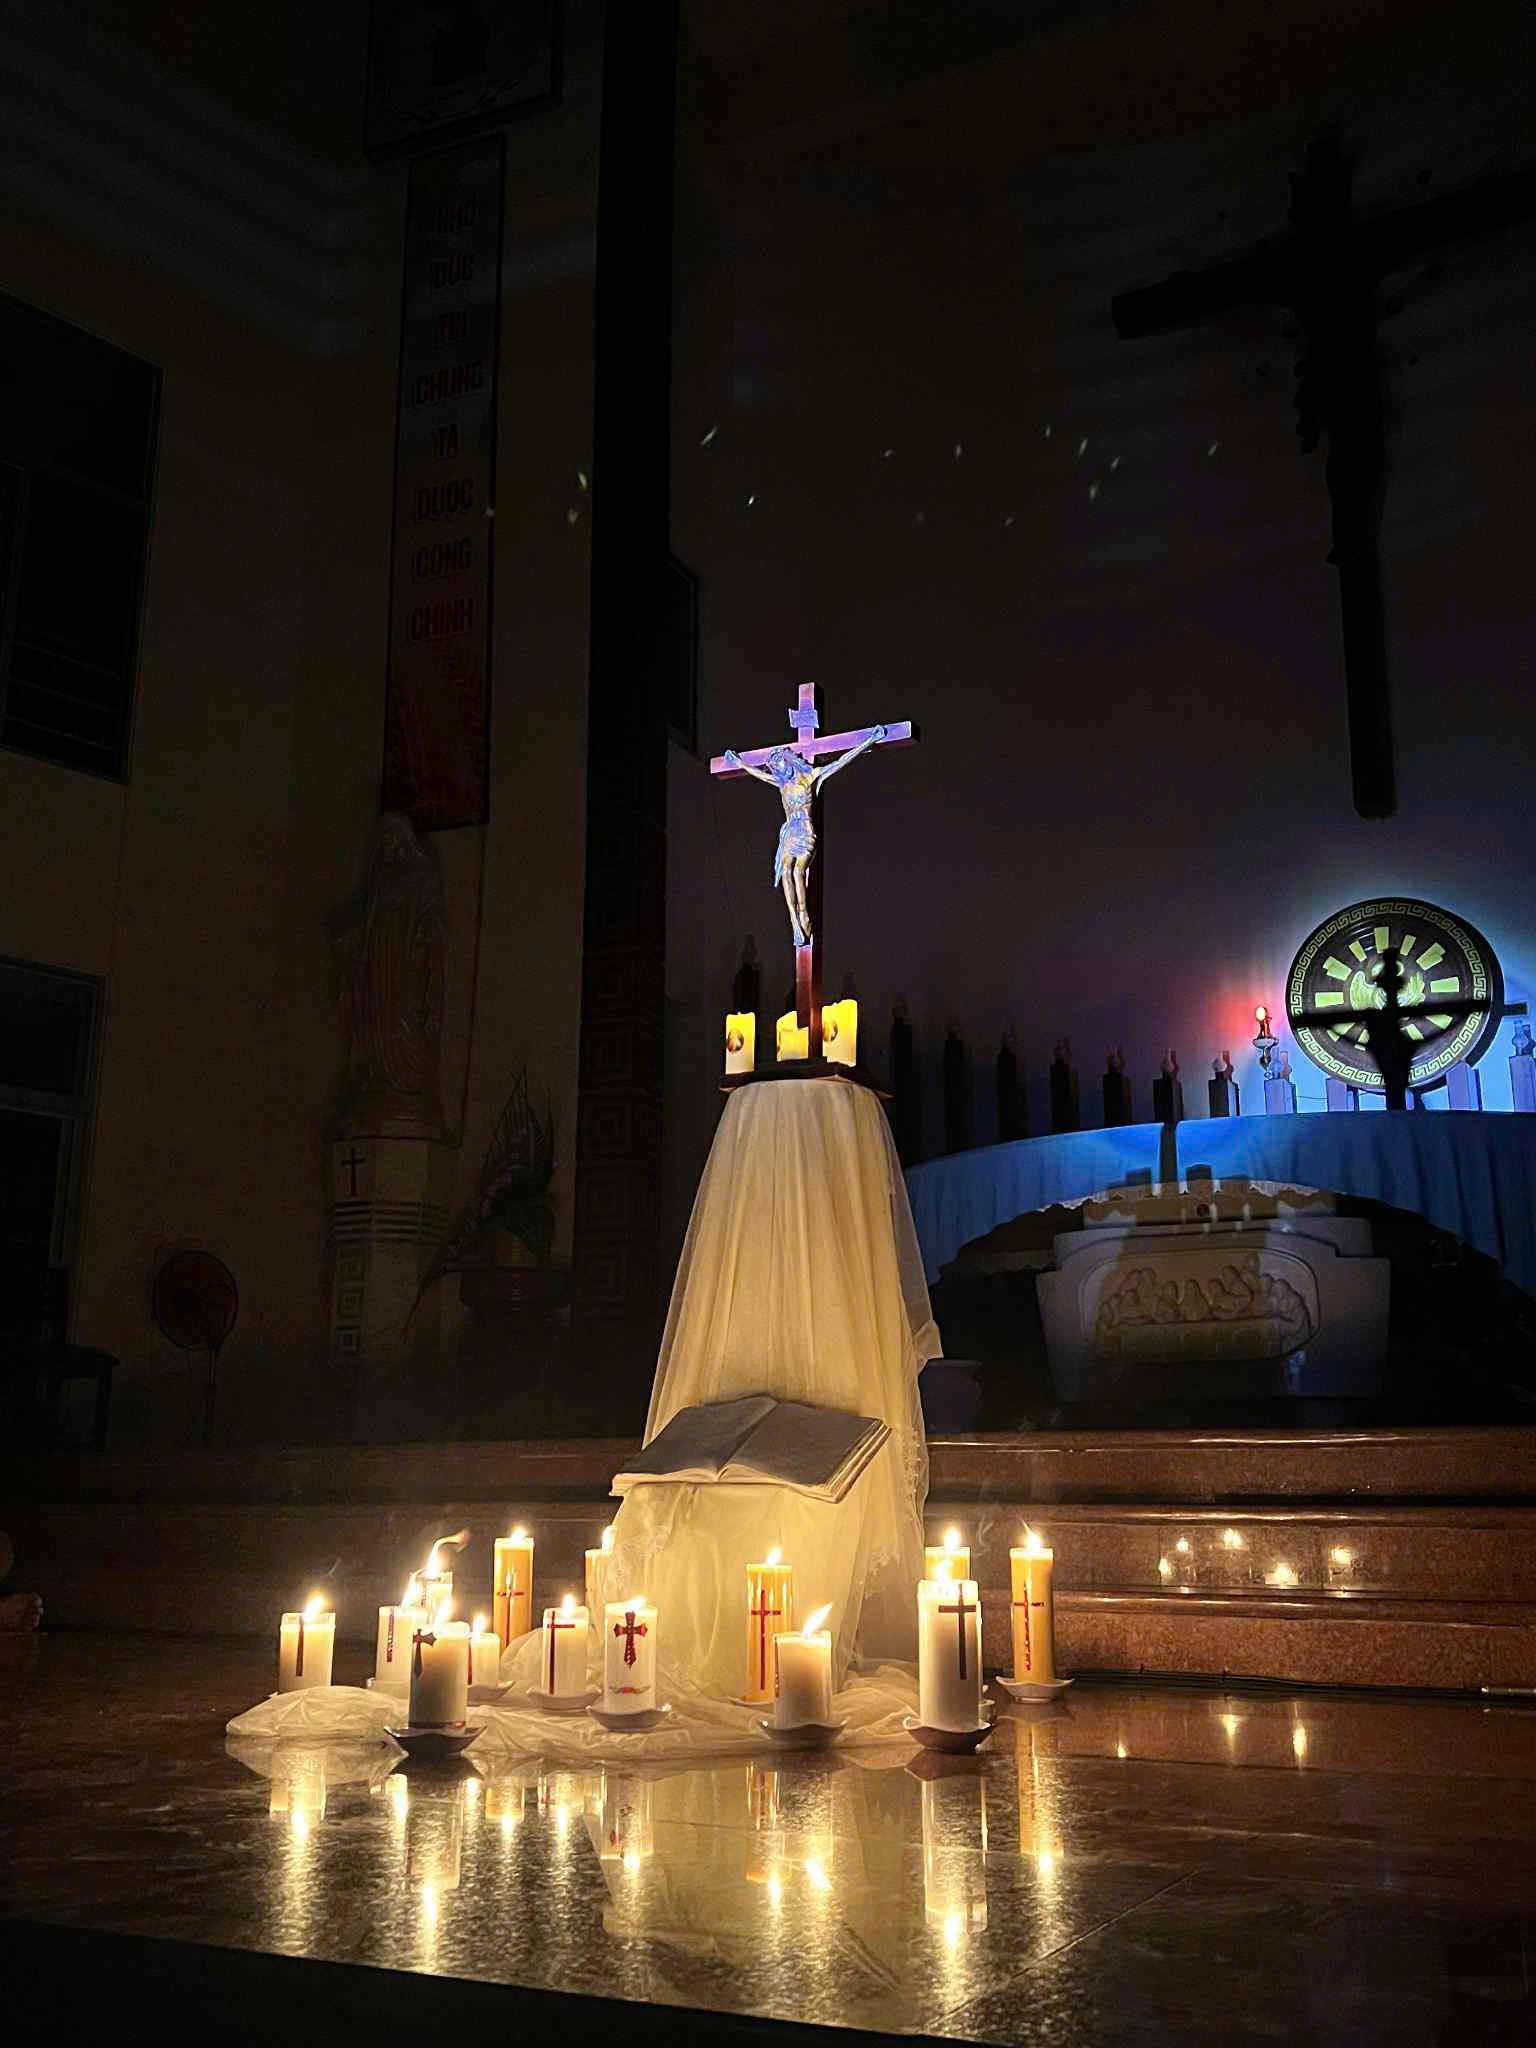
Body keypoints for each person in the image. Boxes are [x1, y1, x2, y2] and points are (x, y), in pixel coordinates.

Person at [723, 728, 886, 947]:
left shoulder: (810, 777)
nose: (779, 770)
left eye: (780, 764)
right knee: (786, 872)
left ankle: (804, 914)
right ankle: (794, 920)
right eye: (775, 767)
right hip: (791, 832)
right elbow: (759, 774)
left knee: (798, 871)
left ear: (788, 762)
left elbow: (841, 761)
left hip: (805, 831)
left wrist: (870, 740)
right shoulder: (782, 785)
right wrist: (739, 763)